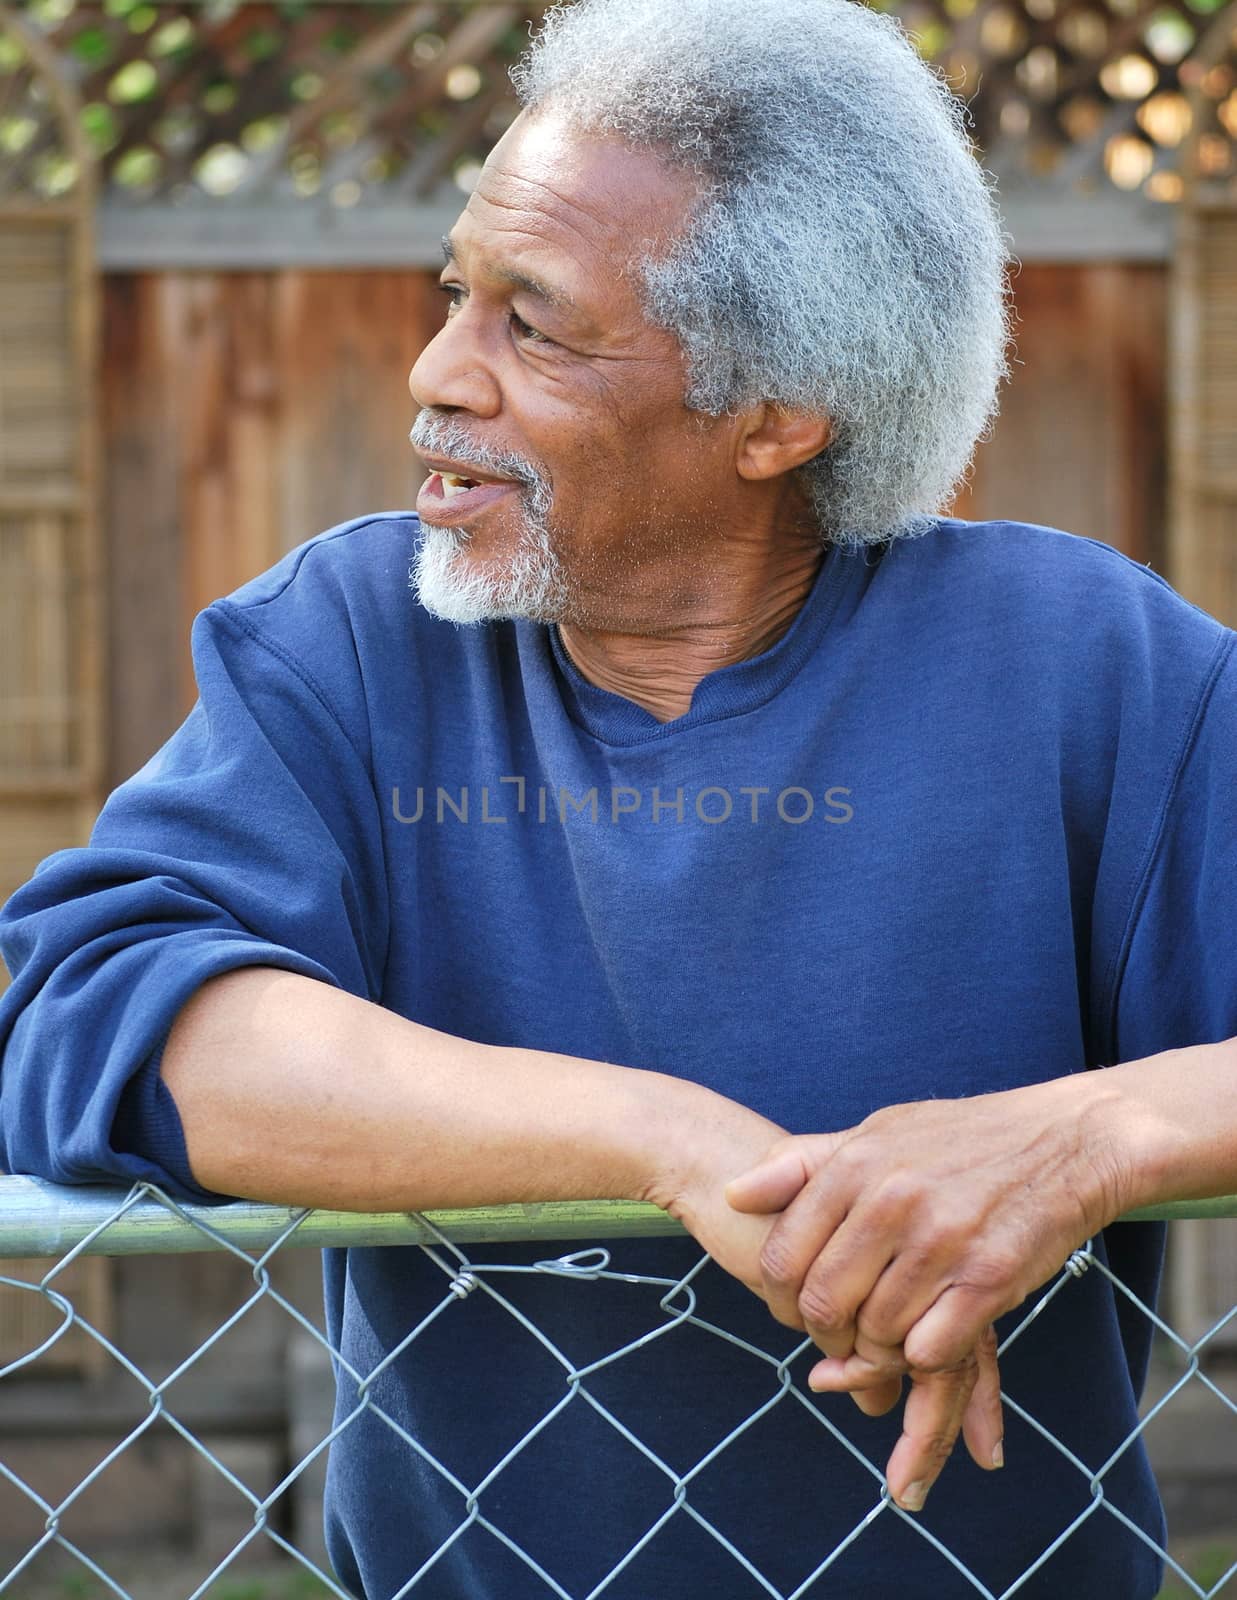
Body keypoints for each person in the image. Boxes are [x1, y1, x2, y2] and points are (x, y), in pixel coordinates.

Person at [1, 0, 1234, 1594]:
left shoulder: (1089, 666)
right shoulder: (353, 647)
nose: (438, 373)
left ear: (777, 414)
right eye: (457, 291)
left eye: (537, 324)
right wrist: (661, 1143)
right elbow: (100, 1017)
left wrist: (1083, 1139)